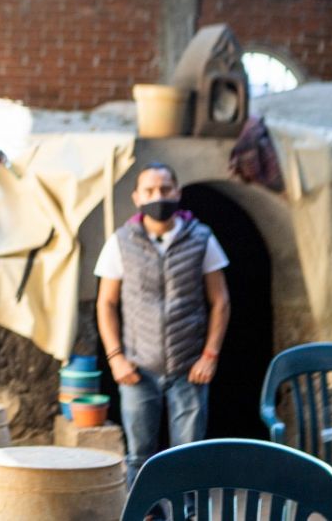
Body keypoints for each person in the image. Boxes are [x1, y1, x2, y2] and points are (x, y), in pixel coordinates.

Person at [95, 161, 231, 487]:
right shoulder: (121, 242)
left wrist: (209, 356)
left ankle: (187, 512)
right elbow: (106, 303)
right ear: (137, 197)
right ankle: (145, 512)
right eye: (150, 191)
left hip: (190, 368)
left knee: (189, 454)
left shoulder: (201, 238)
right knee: (139, 455)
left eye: (166, 189)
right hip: (138, 368)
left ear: (178, 193)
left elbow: (221, 301)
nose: (159, 196)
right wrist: (116, 358)